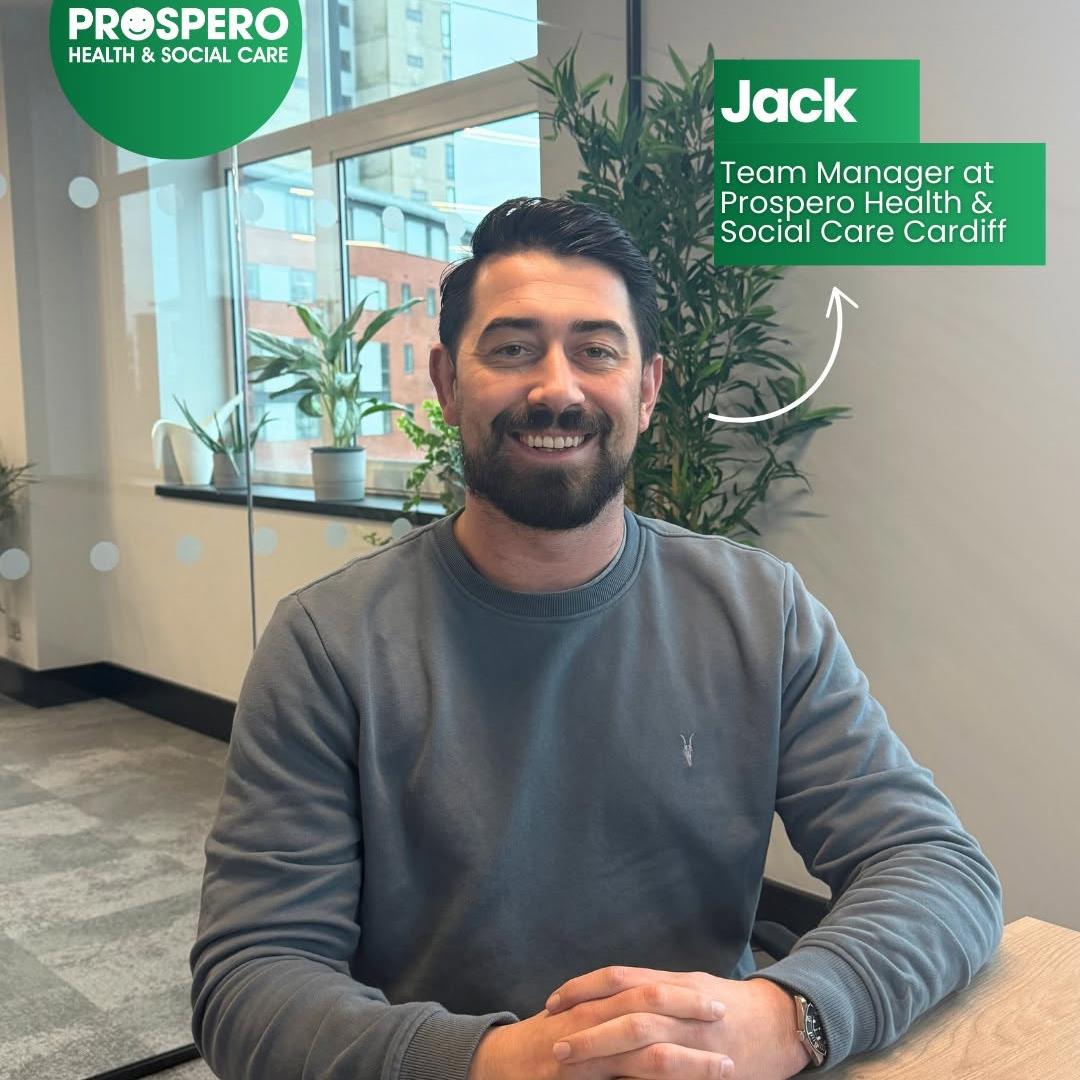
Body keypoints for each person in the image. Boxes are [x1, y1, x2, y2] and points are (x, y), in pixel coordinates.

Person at [190, 196, 1003, 1080]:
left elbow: (935, 866)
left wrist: (788, 1015)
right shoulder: (329, 644)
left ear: (646, 390)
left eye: (596, 351)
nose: (557, 388)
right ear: (448, 384)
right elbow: (250, 983)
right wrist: (503, 1060)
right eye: (512, 349)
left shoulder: (758, 611)